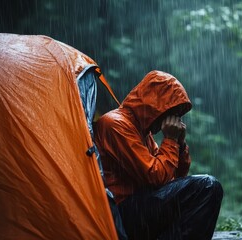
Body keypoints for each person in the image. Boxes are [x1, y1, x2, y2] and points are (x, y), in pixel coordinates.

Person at [94, 70, 223, 240]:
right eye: (171, 113)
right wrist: (169, 140)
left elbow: (173, 178)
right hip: (120, 212)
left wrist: (179, 144)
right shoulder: (116, 124)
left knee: (204, 189)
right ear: (154, 105)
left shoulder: (144, 133)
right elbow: (156, 177)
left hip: (138, 207)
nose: (172, 119)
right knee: (207, 186)